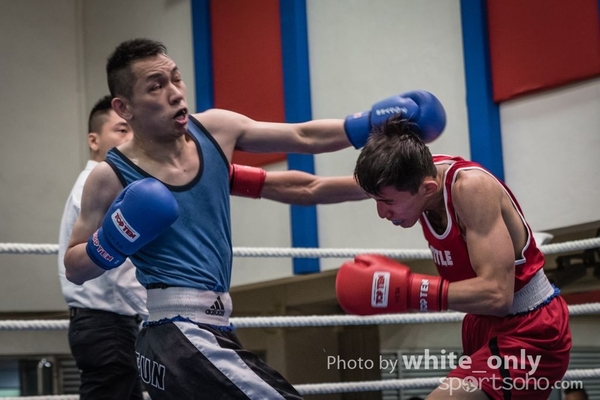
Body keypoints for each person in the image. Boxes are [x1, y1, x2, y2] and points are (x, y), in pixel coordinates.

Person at [63, 38, 446, 399]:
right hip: (176, 330)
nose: (175, 93)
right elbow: (74, 268)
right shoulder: (109, 177)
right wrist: (111, 240)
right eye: (156, 87)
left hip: (212, 326)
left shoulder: (215, 131)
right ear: (124, 108)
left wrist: (370, 125)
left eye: (176, 78)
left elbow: (303, 138)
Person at [335, 115, 572, 399]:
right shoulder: (408, 174)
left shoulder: (471, 189)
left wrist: (409, 291)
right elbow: (314, 189)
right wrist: (277, 180)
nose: (382, 213)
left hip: (530, 329)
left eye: (387, 202)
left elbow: (497, 295)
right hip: (479, 323)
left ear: (428, 189)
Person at [58, 95, 146, 399]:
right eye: (121, 130)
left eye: (132, 129)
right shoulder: (96, 185)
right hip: (107, 324)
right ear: (94, 140)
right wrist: (156, 313)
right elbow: (118, 270)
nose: (130, 137)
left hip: (108, 324)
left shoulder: (106, 184)